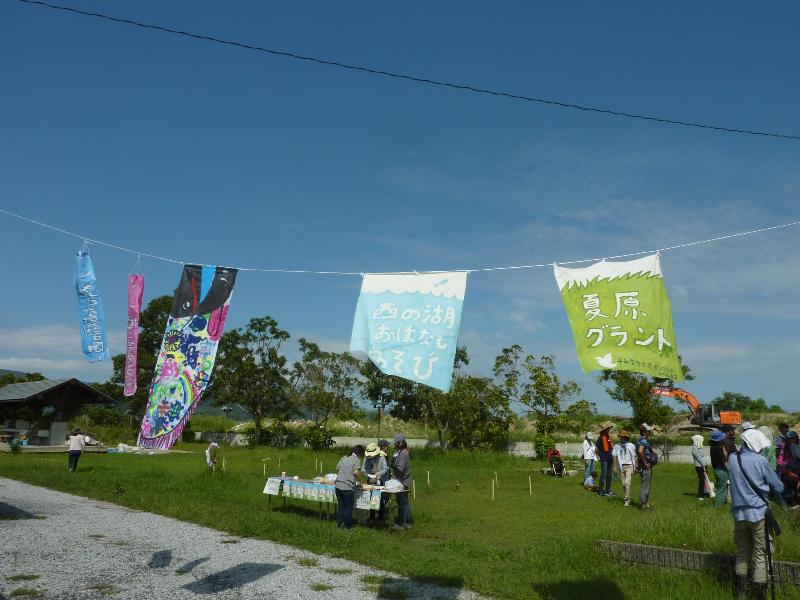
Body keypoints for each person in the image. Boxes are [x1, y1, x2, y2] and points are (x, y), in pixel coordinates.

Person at [728, 428, 784, 599]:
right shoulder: (760, 461)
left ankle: (740, 593)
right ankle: (760, 595)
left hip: (739, 514)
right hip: (759, 514)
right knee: (762, 554)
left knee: (743, 552)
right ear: (757, 446)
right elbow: (779, 487)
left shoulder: (732, 458)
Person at [335, 445, 365, 529]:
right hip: (347, 487)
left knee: (341, 506)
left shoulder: (344, 457)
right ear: (359, 454)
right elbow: (356, 473)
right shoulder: (356, 460)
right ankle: (347, 526)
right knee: (348, 507)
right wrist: (360, 480)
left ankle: (340, 525)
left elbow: (337, 468)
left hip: (338, 485)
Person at [390, 434, 413, 531]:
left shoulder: (403, 453)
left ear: (400, 443)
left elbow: (400, 468)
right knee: (405, 503)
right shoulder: (401, 452)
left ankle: (400, 524)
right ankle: (408, 522)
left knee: (402, 503)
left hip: (402, 482)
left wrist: (391, 465)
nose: (394, 444)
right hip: (402, 480)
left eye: (396, 443)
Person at [363, 441, 389, 524]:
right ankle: (371, 518)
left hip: (379, 481)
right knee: (371, 499)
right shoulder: (367, 458)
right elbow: (363, 468)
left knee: (380, 500)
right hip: (370, 481)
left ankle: (381, 518)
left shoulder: (381, 457)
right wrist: (367, 474)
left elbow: (385, 469)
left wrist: (377, 474)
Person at [612, 430, 637, 507]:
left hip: (629, 466)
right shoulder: (617, 446)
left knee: (627, 483)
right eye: (620, 437)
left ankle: (626, 499)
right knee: (623, 484)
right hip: (621, 466)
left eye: (622, 437)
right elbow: (614, 456)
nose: (621, 438)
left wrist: (636, 466)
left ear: (626, 437)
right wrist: (614, 467)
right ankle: (627, 497)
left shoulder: (631, 445)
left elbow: (636, 456)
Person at [636, 423, 655, 510]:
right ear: (645, 432)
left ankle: (646, 503)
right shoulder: (643, 441)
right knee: (645, 485)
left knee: (646, 485)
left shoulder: (642, 440)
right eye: (649, 430)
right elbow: (640, 451)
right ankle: (643, 505)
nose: (650, 431)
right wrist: (645, 463)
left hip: (643, 465)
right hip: (645, 466)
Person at [710, 428, 730, 509]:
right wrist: (730, 469)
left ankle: (723, 502)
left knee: (721, 487)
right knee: (721, 489)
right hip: (721, 470)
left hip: (716, 470)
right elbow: (725, 461)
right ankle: (718, 506)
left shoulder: (713, 447)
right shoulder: (718, 448)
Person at [595, 425, 614, 497]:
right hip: (604, 459)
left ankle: (608, 491)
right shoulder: (600, 438)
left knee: (609, 475)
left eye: (608, 429)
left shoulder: (609, 437)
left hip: (610, 458)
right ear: (604, 431)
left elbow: (612, 447)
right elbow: (596, 449)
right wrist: (601, 456)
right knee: (604, 474)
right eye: (607, 429)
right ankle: (600, 491)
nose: (608, 430)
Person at [691, 434, 709, 501]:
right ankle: (700, 495)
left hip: (703, 465)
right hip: (699, 466)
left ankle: (705, 492)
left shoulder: (700, 446)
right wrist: (703, 465)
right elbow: (698, 457)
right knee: (701, 480)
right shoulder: (695, 447)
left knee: (705, 480)